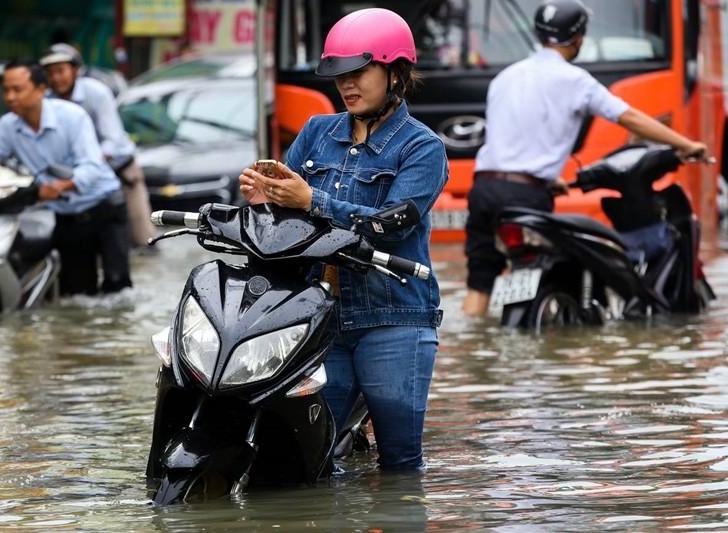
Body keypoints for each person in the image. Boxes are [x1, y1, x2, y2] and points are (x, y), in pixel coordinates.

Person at [239, 8, 448, 470]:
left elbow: (393, 225)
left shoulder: (422, 147)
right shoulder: (316, 132)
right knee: (305, 461)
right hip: (318, 320)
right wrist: (262, 198)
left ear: (396, 72)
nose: (347, 85)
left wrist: (311, 198)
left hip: (394, 318)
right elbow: (283, 224)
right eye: (339, 77)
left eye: (359, 73)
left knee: (399, 465)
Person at [461, 0, 709, 316]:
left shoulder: (503, 78)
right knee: (562, 262)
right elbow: (628, 117)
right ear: (578, 38)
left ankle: (477, 345)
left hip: (483, 189)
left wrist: (551, 180)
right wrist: (685, 144)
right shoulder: (576, 80)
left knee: (479, 280)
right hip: (528, 194)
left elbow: (512, 137)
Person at [0, 59, 132, 296]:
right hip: (67, 217)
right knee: (77, 294)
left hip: (105, 208)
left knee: (118, 289)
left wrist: (62, 186)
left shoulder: (72, 117)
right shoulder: (9, 126)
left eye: (18, 89)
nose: (10, 97)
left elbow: (92, 165)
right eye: (6, 90)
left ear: (40, 89)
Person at [40, 43, 156, 250]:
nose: (56, 78)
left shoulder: (96, 93)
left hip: (120, 170)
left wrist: (88, 165)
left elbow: (112, 139)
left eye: (61, 71)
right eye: (50, 73)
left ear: (75, 70)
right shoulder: (46, 100)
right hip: (79, 177)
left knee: (143, 237)